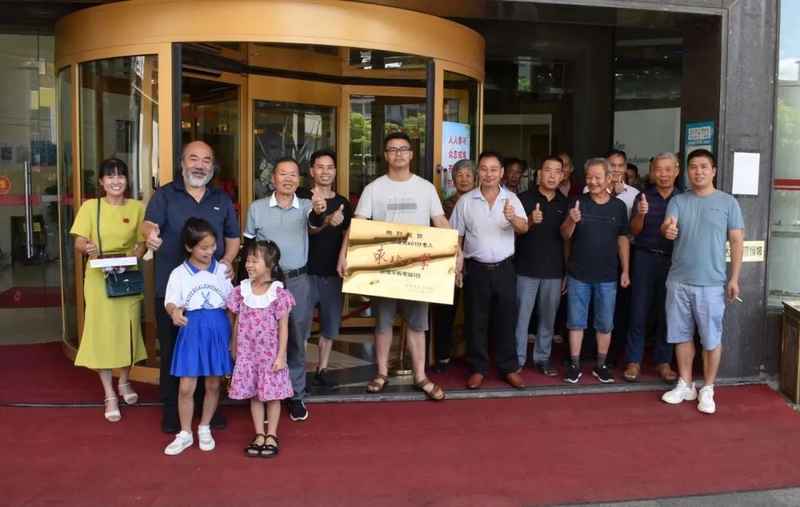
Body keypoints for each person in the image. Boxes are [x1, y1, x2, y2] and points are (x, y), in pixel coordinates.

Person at [338, 131, 459, 401]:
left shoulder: (425, 188)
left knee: (417, 324)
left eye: (403, 149)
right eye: (393, 150)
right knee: (383, 323)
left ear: (411, 154)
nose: (398, 154)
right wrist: (344, 254)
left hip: (418, 268)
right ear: (385, 156)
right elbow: (358, 224)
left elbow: (439, 220)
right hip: (384, 268)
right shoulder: (374, 188)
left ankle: (421, 376)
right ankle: (381, 373)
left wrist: (456, 250)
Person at [142, 140, 240, 434]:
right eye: (194, 159)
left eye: (206, 160)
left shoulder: (221, 198)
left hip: (209, 296)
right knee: (173, 353)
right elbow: (148, 224)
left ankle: (206, 410)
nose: (200, 165)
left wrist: (226, 261)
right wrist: (150, 235)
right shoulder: (165, 194)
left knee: (208, 353)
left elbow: (233, 238)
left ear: (212, 166)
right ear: (182, 163)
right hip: (172, 290)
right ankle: (172, 410)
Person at [242, 156, 327, 422]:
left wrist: (319, 209)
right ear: (273, 178)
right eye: (282, 173)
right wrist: (245, 284)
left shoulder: (305, 206)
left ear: (299, 180)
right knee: (266, 341)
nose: (288, 179)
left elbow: (315, 221)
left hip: (297, 281)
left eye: (293, 174)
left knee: (297, 339)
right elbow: (248, 248)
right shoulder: (257, 208)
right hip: (265, 284)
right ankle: (267, 394)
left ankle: (296, 394)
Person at [660, 149, 744, 414]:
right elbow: (667, 225)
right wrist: (668, 229)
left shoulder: (728, 202)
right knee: (681, 335)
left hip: (712, 283)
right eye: (693, 167)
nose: (698, 172)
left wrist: (734, 278)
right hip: (679, 280)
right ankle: (686, 384)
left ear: (713, 171)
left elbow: (737, 241)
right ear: (687, 171)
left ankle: (707, 388)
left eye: (704, 167)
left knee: (710, 339)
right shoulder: (679, 201)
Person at [70, 158, 148, 422]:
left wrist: (134, 257)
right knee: (103, 333)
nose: (116, 181)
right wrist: (88, 247)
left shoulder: (137, 208)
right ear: (102, 182)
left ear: (127, 180)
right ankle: (109, 393)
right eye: (110, 176)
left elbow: (142, 243)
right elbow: (79, 242)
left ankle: (124, 380)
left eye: (120, 176)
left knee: (127, 331)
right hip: (98, 278)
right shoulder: (90, 207)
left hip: (126, 276)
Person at [450, 150, 528, 390]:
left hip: (504, 268)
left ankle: (509, 368)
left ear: (501, 173)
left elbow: (524, 228)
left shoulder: (511, 200)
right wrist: (457, 268)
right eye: (483, 169)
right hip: (476, 269)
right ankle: (478, 369)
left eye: (494, 169)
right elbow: (456, 237)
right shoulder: (466, 201)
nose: (488, 174)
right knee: (476, 321)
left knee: (506, 320)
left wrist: (512, 217)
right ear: (478, 173)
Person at [162, 217, 234, 456]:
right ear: (188, 247)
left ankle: (204, 427)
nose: (210, 251)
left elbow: (232, 304)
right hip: (192, 329)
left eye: (213, 245)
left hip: (218, 328)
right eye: (204, 247)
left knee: (213, 383)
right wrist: (174, 312)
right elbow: (170, 301)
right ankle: (185, 433)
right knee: (186, 387)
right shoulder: (179, 273)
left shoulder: (222, 270)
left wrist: (234, 338)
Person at [560, 158, 630, 384]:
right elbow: (565, 235)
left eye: (598, 177)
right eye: (589, 177)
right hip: (578, 274)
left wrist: (626, 270)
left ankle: (601, 365)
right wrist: (571, 220)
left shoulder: (618, 207)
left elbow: (622, 239)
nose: (593, 181)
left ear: (609, 178)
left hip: (608, 275)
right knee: (576, 322)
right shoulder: (577, 202)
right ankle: (574, 365)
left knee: (605, 323)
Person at [228, 240, 295, 458]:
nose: (249, 264)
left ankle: (272, 434)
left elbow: (283, 327)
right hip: (248, 354)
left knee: (273, 396)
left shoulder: (279, 293)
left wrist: (281, 356)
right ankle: (259, 434)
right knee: (255, 395)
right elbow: (236, 320)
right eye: (248, 260)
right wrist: (234, 345)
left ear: (270, 264)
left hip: (271, 355)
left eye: (255, 261)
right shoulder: (241, 291)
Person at [624, 152, 681, 383]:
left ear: (677, 171)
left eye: (668, 170)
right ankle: (634, 360)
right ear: (652, 172)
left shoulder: (683, 199)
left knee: (667, 312)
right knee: (639, 309)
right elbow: (634, 231)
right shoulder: (643, 196)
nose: (663, 174)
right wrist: (640, 215)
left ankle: (663, 361)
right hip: (644, 257)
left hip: (672, 261)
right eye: (659, 170)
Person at [514, 156, 567, 376]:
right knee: (521, 318)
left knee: (548, 319)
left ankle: (542, 358)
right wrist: (530, 220)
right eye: (548, 170)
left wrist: (566, 271)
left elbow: (568, 240)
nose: (552, 176)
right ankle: (517, 359)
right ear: (539, 174)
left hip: (554, 270)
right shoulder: (523, 198)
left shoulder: (565, 203)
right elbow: (512, 232)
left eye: (557, 172)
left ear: (562, 176)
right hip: (525, 268)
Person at [305, 150, 352, 390]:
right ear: (312, 171)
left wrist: (345, 259)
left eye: (330, 167)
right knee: (300, 326)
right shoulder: (302, 198)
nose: (325, 171)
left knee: (330, 325)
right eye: (320, 167)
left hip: (333, 275)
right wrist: (326, 219)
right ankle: (297, 374)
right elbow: (306, 229)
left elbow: (348, 236)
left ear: (335, 171)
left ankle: (322, 369)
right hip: (305, 274)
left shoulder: (343, 203)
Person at [434, 159, 475, 373]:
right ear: (453, 179)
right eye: (460, 175)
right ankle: (442, 356)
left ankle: (474, 357)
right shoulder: (443, 207)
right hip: (448, 264)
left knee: (475, 312)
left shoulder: (480, 203)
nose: (464, 179)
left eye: (468, 175)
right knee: (445, 311)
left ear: (475, 178)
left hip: (475, 263)